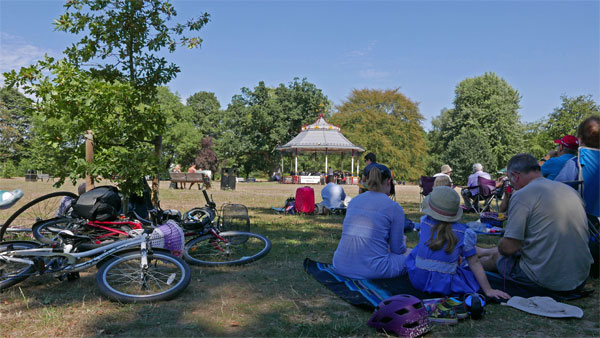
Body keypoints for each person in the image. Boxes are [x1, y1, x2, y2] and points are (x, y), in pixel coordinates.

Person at [477, 153, 592, 292]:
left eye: (510, 180)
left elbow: (509, 248)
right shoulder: (569, 191)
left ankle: (470, 266)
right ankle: (481, 252)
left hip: (546, 280)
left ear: (515, 176)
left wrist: (502, 243)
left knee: (499, 257)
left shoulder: (522, 195)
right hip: (580, 278)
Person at [406, 186, 509, 300]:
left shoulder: (425, 223)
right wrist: (488, 290)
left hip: (419, 278)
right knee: (468, 264)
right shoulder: (463, 233)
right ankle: (490, 252)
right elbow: (474, 263)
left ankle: (486, 252)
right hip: (444, 286)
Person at [332, 163, 408, 279]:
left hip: (340, 265)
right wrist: (403, 242)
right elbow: (397, 249)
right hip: (374, 270)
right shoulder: (394, 208)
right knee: (413, 254)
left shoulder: (354, 202)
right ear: (388, 182)